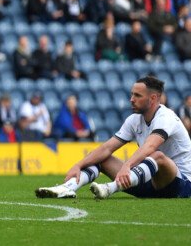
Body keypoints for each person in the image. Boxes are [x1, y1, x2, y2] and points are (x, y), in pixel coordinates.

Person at [36, 76, 191, 199]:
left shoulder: (166, 117)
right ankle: (67, 188)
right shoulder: (134, 119)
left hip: (180, 184)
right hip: (150, 182)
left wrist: (127, 165)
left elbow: (150, 147)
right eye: (131, 94)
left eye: (137, 95)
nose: (131, 99)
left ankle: (110, 188)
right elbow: (107, 147)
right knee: (102, 158)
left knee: (157, 156)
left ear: (153, 99)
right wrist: (78, 165)